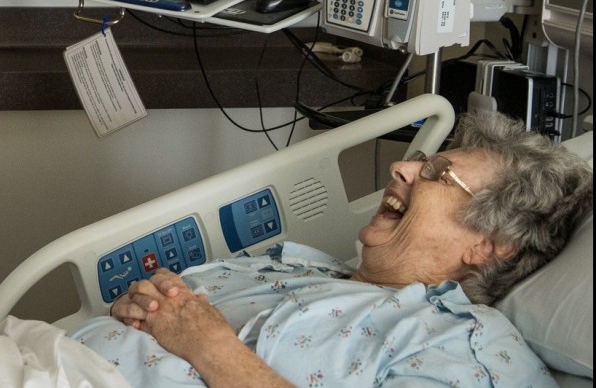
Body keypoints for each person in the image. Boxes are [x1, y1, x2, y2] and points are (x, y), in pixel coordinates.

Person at [81, 110, 593, 387]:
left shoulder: (468, 350)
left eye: (437, 174)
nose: (404, 168)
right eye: (420, 159)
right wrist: (142, 308)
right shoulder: (297, 265)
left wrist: (209, 345)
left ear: (487, 244)